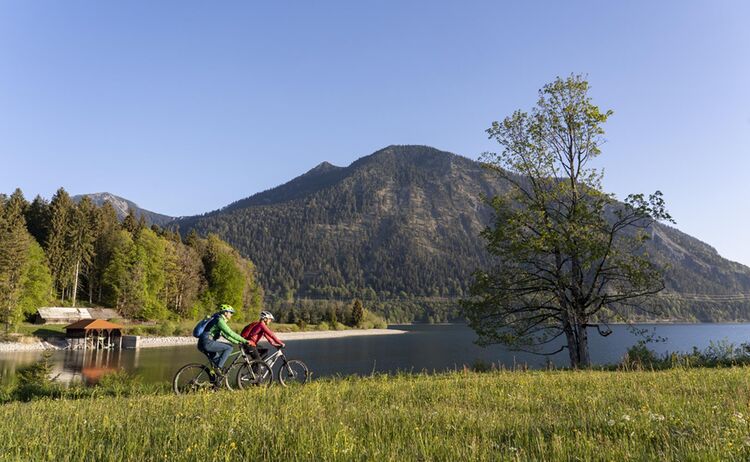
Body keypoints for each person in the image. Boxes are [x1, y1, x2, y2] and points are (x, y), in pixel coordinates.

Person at [197, 304, 250, 381]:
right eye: (231, 312)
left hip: (202, 343)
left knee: (217, 360)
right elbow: (230, 333)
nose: (231, 315)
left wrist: (238, 342)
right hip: (207, 342)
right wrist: (245, 340)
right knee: (229, 347)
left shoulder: (217, 319)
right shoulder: (220, 321)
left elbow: (226, 336)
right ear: (225, 313)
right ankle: (217, 368)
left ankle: (215, 383)